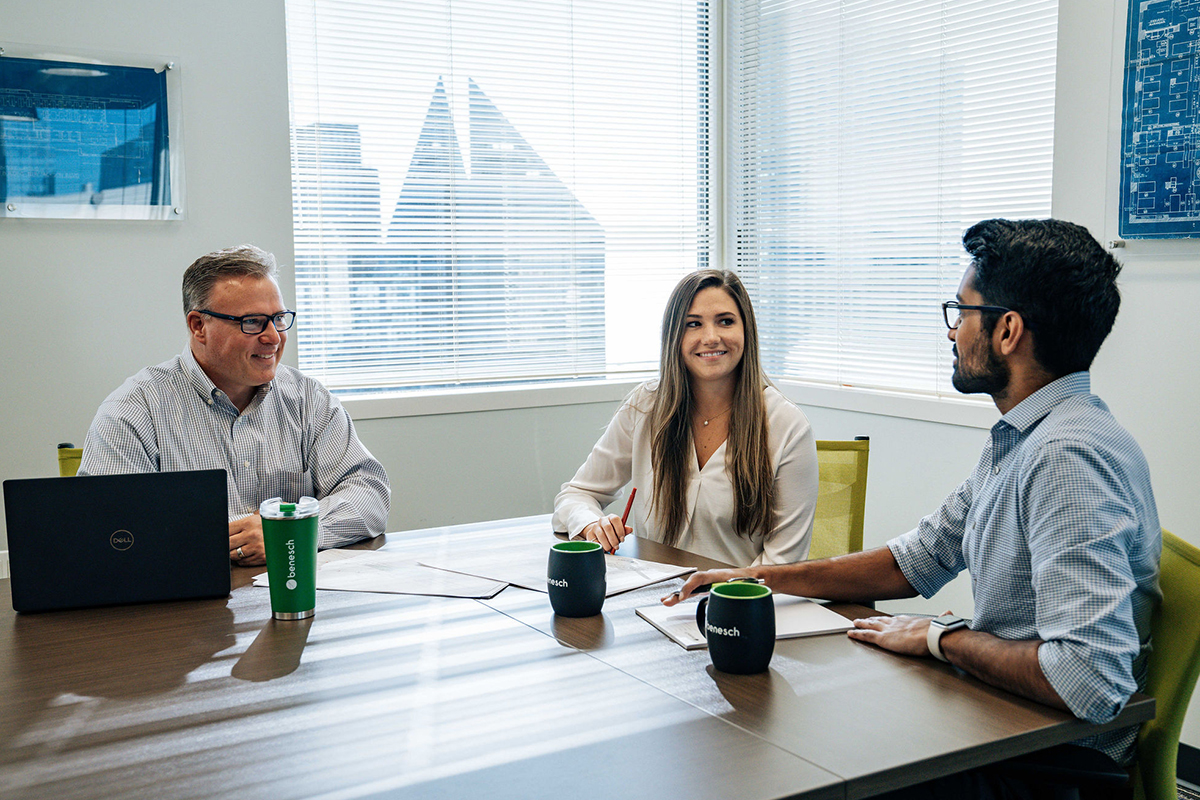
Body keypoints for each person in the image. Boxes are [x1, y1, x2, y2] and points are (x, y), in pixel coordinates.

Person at [666, 219, 1160, 794]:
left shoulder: (1065, 458)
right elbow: (916, 559)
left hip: (1051, 760)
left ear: (1007, 331)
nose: (952, 333)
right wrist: (758, 578)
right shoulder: (1028, 436)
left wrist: (938, 638)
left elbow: (1086, 677)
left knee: (807, 767)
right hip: (1007, 719)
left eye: (961, 312)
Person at [80, 245, 390, 567]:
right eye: (253, 322)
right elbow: (108, 534)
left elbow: (369, 492)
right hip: (187, 606)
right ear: (199, 326)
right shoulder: (132, 412)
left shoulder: (308, 399)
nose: (274, 337)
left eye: (279, 319)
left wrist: (292, 531)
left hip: (293, 588)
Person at [553, 269, 818, 566]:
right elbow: (575, 495)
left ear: (747, 331)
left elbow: (783, 564)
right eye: (693, 324)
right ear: (674, 336)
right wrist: (592, 524)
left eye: (725, 321)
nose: (711, 337)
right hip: (650, 598)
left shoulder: (786, 425)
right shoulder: (646, 405)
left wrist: (717, 594)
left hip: (736, 602)